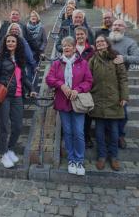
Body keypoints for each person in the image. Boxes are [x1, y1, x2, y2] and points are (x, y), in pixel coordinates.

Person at [46, 36, 93, 176]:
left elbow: (89, 81)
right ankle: (71, 159)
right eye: (64, 46)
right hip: (62, 102)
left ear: (74, 48)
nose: (66, 48)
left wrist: (77, 90)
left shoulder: (83, 63)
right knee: (67, 132)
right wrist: (61, 86)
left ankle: (79, 159)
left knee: (78, 132)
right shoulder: (57, 63)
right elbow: (49, 78)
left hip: (77, 102)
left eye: (69, 46)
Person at [0, 34, 37, 168]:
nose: (10, 43)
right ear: (5, 43)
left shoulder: (20, 60)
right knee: (3, 127)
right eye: (8, 41)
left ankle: (10, 149)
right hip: (4, 96)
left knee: (17, 126)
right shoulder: (0, 59)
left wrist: (31, 89)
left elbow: (25, 78)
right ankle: (4, 154)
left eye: (13, 41)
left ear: (17, 43)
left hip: (17, 96)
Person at [89, 35, 128, 171]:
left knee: (114, 131)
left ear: (107, 43)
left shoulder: (116, 58)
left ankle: (114, 157)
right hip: (98, 99)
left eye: (102, 41)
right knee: (99, 132)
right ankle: (101, 156)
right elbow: (87, 77)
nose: (100, 43)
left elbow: (123, 78)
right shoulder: (93, 59)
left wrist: (124, 96)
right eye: (97, 42)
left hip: (114, 99)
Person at [109, 19, 139, 149]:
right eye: (115, 25)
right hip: (103, 81)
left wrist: (124, 58)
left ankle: (120, 135)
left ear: (125, 28)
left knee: (123, 113)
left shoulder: (130, 42)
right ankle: (109, 135)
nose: (116, 27)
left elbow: (137, 59)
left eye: (119, 25)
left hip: (120, 81)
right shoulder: (106, 40)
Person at [74, 26, 95, 149]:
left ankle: (86, 137)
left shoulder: (91, 50)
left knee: (87, 112)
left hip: (87, 85)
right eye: (78, 35)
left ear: (86, 36)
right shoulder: (71, 49)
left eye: (82, 34)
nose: (80, 36)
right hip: (73, 85)